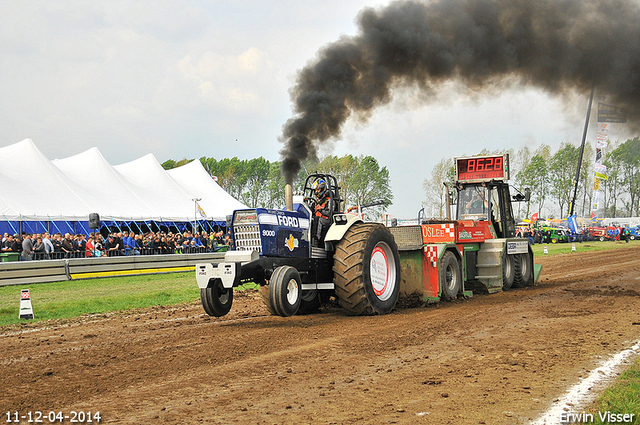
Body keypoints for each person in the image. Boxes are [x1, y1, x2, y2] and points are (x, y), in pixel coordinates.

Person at [311, 178, 331, 248]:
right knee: (312, 219)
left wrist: (321, 210)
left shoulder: (329, 200)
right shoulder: (315, 201)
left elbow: (329, 213)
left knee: (317, 219)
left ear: (323, 189)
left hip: (327, 221)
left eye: (318, 190)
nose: (316, 192)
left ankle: (316, 241)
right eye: (315, 190)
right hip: (318, 220)